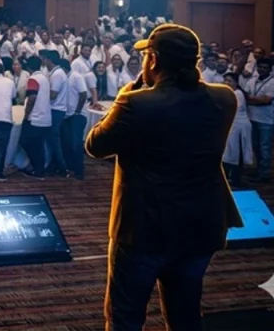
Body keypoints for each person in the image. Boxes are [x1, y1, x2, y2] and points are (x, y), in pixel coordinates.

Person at [86, 24, 240, 331]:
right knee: (185, 315)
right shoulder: (224, 99)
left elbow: (95, 145)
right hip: (200, 225)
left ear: (153, 60)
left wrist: (128, 92)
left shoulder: (136, 103)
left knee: (125, 318)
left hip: (144, 228)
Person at [242, 58, 274, 183]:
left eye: (265, 68)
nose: (262, 69)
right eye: (260, 67)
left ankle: (264, 174)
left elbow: (266, 101)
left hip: (266, 120)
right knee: (255, 147)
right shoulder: (251, 81)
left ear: (270, 69)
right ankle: (258, 170)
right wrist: (255, 99)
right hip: (251, 118)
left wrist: (251, 100)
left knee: (265, 148)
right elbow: (245, 96)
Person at [19, 56, 51, 180]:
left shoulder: (33, 79)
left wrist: (27, 115)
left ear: (28, 67)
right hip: (45, 117)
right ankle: (39, 169)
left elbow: (32, 97)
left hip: (35, 118)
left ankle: (37, 168)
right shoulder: (44, 78)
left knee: (25, 141)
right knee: (38, 145)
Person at [222, 72, 253, 187]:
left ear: (236, 83)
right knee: (228, 153)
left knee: (237, 153)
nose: (227, 83)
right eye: (225, 80)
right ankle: (227, 178)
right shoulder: (228, 93)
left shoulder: (238, 94)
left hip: (239, 127)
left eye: (230, 81)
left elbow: (232, 109)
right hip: (231, 126)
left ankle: (236, 179)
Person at [41, 50, 69, 177]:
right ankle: (53, 165)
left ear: (48, 60)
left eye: (43, 59)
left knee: (53, 140)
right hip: (55, 109)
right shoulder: (55, 73)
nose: (42, 61)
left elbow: (53, 95)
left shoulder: (57, 74)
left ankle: (62, 167)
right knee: (51, 139)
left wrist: (41, 94)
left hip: (56, 110)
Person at [61, 60, 89, 180]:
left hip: (77, 115)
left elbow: (83, 94)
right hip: (67, 115)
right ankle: (71, 166)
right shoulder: (64, 78)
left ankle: (79, 170)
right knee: (66, 143)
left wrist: (77, 111)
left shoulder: (77, 77)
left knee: (76, 143)